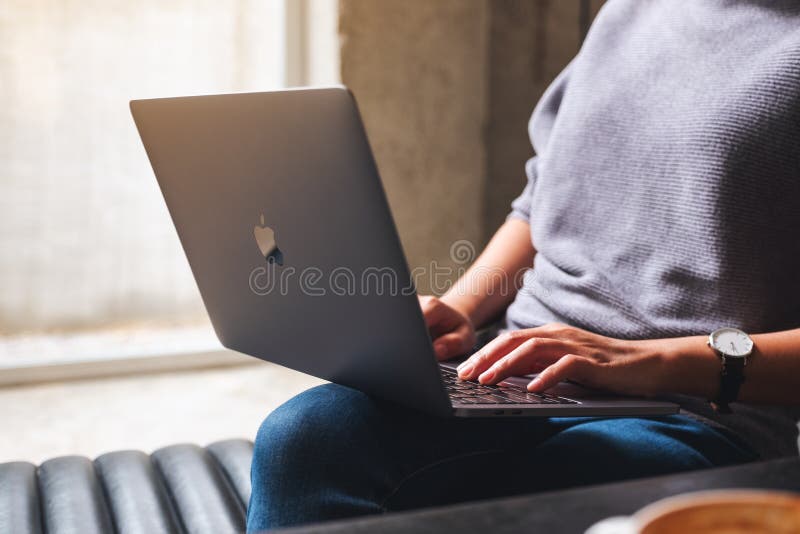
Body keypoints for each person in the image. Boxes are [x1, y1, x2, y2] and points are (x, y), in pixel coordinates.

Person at [247, 0, 800, 530]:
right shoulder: (630, 9)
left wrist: (645, 359)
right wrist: (462, 309)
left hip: (695, 412)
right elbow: (544, 201)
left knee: (559, 482)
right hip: (520, 377)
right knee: (306, 435)